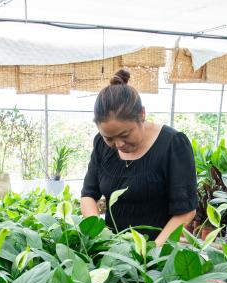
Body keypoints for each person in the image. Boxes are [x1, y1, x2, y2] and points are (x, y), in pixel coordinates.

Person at [81, 69, 197, 246]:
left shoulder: (172, 144)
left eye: (125, 135)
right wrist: (101, 236)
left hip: (158, 252)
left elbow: (186, 211)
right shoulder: (101, 145)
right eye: (109, 138)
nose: (118, 144)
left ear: (142, 114)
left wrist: (151, 252)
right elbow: (88, 195)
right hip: (112, 250)